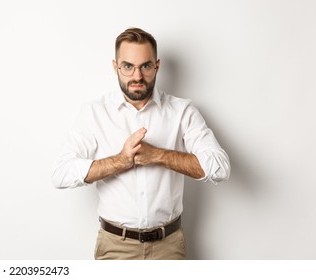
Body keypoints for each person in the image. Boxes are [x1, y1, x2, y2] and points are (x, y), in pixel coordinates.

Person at [52, 28, 230, 260]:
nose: (137, 76)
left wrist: (158, 155)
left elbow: (220, 168)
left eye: (145, 66)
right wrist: (120, 161)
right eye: (128, 66)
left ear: (157, 65)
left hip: (169, 246)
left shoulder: (182, 111)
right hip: (115, 247)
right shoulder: (94, 113)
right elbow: (61, 174)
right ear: (115, 66)